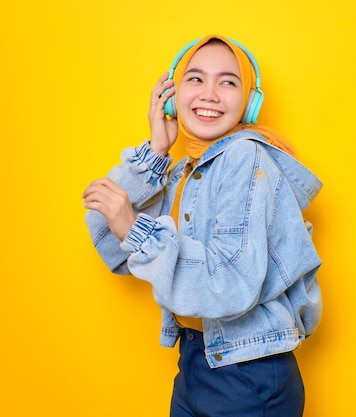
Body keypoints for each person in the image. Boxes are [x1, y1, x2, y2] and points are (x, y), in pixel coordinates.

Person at [82, 35, 323, 417]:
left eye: (228, 82)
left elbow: (230, 283)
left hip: (247, 370)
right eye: (195, 79)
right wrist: (156, 154)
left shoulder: (246, 158)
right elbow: (108, 240)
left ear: (250, 101)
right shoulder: (186, 171)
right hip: (197, 356)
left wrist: (137, 230)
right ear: (174, 96)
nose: (210, 93)